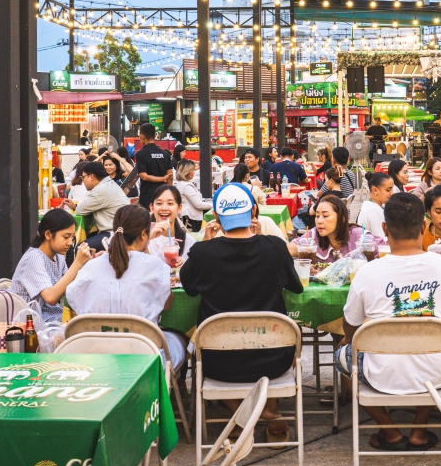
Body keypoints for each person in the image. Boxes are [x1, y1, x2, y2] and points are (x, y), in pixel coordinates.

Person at [337, 193, 441, 452]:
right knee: (435, 349)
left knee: (342, 355)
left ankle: (389, 430)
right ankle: (419, 430)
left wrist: (348, 339)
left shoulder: (367, 272)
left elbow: (350, 323)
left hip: (380, 372)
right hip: (438, 372)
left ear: (385, 229)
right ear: (423, 226)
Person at [179, 182, 302, 442]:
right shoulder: (275, 248)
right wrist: (265, 240)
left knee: (221, 358)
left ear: (216, 218)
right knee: (274, 346)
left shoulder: (203, 253)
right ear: (254, 212)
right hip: (274, 358)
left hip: (217, 360)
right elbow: (296, 287)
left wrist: (206, 244)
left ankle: (242, 418)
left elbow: (188, 288)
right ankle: (269, 411)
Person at [67, 204, 187, 371]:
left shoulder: (90, 267)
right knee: (181, 339)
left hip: (96, 357)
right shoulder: (154, 265)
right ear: (144, 234)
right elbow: (167, 305)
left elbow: (73, 299)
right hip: (145, 358)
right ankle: (169, 391)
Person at [14, 209, 94, 323]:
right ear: (48, 234)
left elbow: (70, 286)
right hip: (30, 322)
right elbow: (50, 297)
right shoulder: (34, 258)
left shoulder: (58, 256)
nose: (70, 242)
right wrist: (77, 263)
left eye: (72, 237)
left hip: (48, 316)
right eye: (66, 237)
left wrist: (90, 264)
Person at [64, 161, 129, 249]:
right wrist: (74, 206)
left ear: (92, 177)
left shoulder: (100, 190)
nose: (83, 181)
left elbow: (80, 211)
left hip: (113, 233)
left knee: (80, 248)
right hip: (123, 230)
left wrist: (76, 207)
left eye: (83, 177)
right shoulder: (109, 184)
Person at [289, 195, 372, 261]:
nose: (319, 221)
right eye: (317, 216)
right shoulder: (313, 236)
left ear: (341, 218)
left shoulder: (358, 236)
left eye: (325, 216)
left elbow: (382, 251)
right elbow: (286, 250)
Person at [147, 184, 196, 265]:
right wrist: (148, 237)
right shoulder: (142, 239)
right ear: (152, 208)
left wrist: (184, 267)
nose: (164, 208)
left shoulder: (189, 242)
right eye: (159, 203)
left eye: (170, 203)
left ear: (179, 208)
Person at [133, 123, 173, 208]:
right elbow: (170, 176)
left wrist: (161, 179)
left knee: (148, 220)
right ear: (155, 135)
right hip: (163, 195)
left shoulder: (141, 154)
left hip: (147, 196)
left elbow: (143, 176)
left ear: (142, 136)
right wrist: (169, 192)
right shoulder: (165, 153)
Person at [174, 159, 211, 232]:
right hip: (192, 219)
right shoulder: (186, 186)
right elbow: (199, 205)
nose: (194, 172)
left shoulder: (181, 184)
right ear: (187, 172)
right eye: (193, 170)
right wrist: (215, 205)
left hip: (189, 218)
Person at [357, 172, 394, 241]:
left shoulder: (370, 205)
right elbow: (382, 241)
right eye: (388, 190)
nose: (392, 193)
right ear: (375, 190)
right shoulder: (374, 211)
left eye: (392, 189)